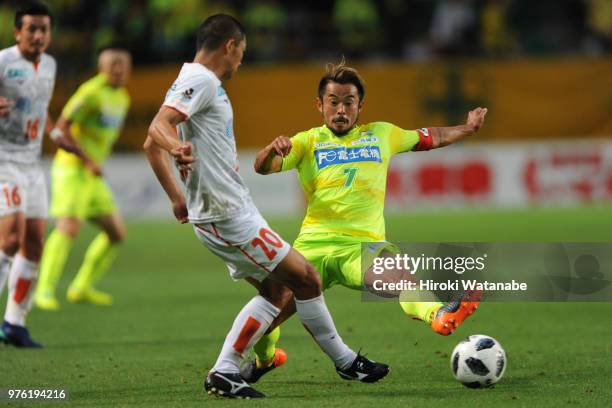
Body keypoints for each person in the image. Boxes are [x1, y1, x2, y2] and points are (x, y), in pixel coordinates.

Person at [143, 14, 389, 399]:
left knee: (280, 292)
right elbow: (159, 127)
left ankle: (232, 369)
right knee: (306, 278)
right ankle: (340, 362)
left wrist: (178, 198)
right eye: (242, 52)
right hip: (227, 214)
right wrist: (176, 147)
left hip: (224, 211)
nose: (241, 61)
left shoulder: (188, 79)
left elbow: (148, 143)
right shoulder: (201, 80)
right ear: (230, 46)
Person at [244, 60, 486, 382]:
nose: (341, 110)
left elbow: (432, 137)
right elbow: (262, 167)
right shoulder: (307, 141)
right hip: (311, 247)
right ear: (320, 105)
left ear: (360, 105)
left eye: (349, 102)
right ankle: (266, 360)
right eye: (333, 102)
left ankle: (439, 315)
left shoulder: (382, 134)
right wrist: (272, 150)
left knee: (399, 278)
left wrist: (466, 129)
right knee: (265, 313)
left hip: (363, 246)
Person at [0, 1, 86, 347]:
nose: (38, 35)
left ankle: (14, 323)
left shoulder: (48, 65)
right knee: (9, 239)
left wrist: (56, 137)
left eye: (44, 29)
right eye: (31, 29)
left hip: (33, 163)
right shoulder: (4, 62)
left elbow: (40, 110)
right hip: (3, 160)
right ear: (17, 31)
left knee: (35, 242)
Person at [34, 46, 132, 310]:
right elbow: (61, 129)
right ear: (102, 67)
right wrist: (87, 159)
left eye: (124, 64)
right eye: (114, 65)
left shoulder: (122, 96)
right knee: (69, 226)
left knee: (116, 233)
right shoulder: (90, 92)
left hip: (92, 174)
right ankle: (43, 289)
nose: (120, 70)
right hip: (71, 168)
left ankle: (81, 286)